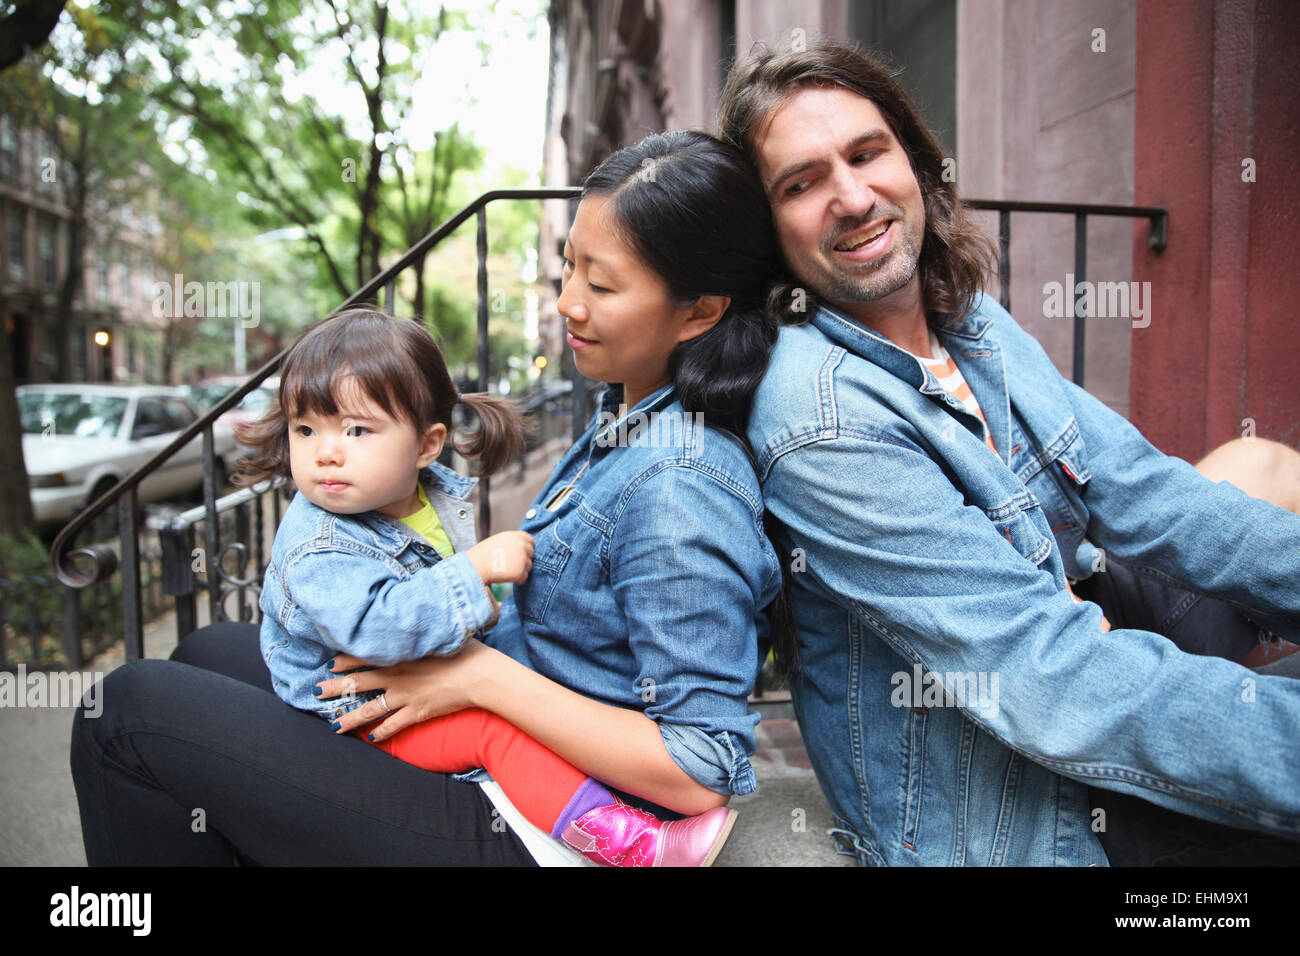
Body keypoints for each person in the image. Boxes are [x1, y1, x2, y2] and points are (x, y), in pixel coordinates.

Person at [69, 129, 783, 866]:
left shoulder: (681, 480)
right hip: (504, 723)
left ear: (700, 311)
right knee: (204, 651)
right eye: (568, 266)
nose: (568, 302)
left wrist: (476, 677)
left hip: (545, 820)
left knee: (123, 713)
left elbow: (699, 769)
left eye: (601, 284)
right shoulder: (627, 412)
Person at [717, 39, 1300, 866]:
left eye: (866, 154)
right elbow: (1050, 680)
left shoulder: (971, 322)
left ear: (916, 163)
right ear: (767, 231)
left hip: (1071, 642)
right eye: (802, 183)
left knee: (1263, 475)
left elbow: (1150, 495)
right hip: (1013, 811)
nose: (852, 197)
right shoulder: (818, 420)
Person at [236, 306, 737, 866]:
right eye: (306, 429)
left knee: (519, 710)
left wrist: (481, 595)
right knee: (493, 731)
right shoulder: (319, 543)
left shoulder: (425, 496)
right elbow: (377, 626)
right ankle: (633, 846)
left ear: (427, 446)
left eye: (356, 430)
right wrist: (473, 572)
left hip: (406, 676)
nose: (325, 451)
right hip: (360, 707)